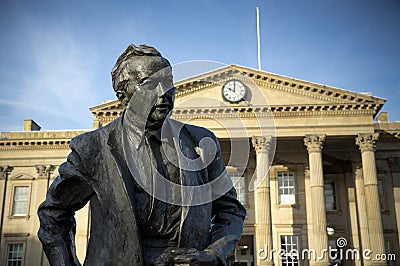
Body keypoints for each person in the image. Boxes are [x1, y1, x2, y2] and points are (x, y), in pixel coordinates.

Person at [38, 44, 246, 266]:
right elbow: (53, 216)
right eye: (150, 84)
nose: (163, 92)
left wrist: (215, 254)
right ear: (123, 95)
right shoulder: (92, 148)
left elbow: (230, 210)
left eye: (168, 83)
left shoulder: (201, 143)